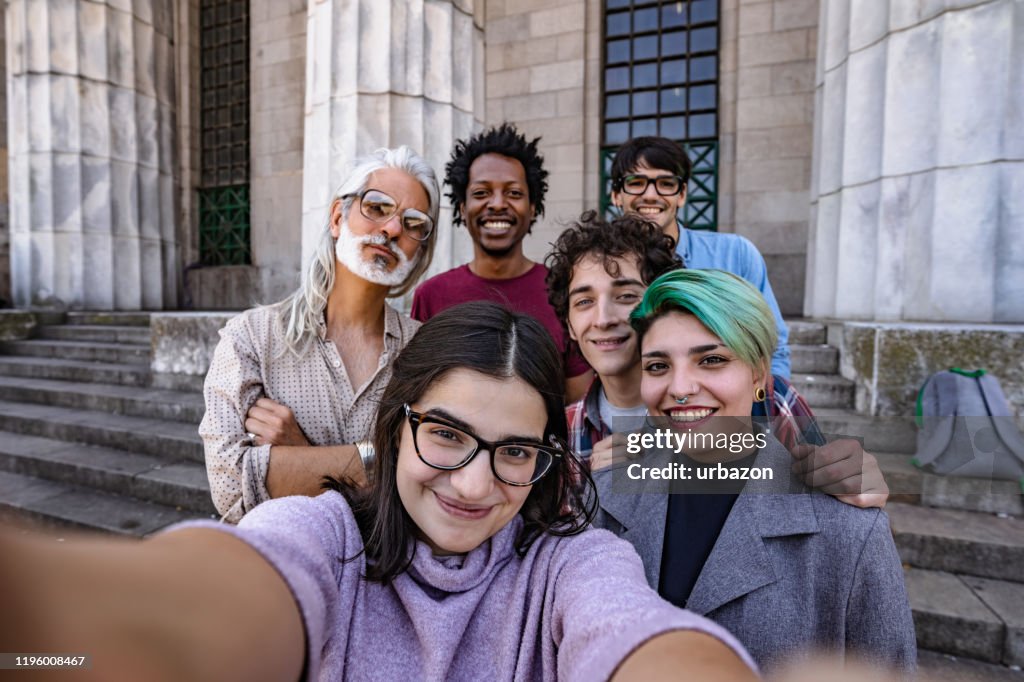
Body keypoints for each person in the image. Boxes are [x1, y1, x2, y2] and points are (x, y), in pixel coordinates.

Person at [0, 303, 758, 682]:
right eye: (447, 435)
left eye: (513, 452)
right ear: (395, 428)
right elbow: (192, 612)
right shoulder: (323, 537)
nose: (472, 483)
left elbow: (630, 633)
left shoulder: (569, 564)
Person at [592, 269, 917, 673]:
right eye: (657, 366)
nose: (679, 387)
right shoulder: (605, 497)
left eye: (711, 360)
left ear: (759, 373)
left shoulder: (848, 526)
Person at [546, 212, 888, 507]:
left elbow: (834, 507)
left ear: (661, 306)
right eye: (584, 302)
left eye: (626, 296)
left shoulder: (766, 399)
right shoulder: (566, 430)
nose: (603, 318)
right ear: (570, 327)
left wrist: (855, 484)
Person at [201, 146, 440, 522]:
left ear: (420, 250)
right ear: (336, 218)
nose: (393, 229)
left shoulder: (426, 351)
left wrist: (299, 449)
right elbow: (232, 490)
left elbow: (434, 478)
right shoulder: (251, 337)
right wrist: (381, 460)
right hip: (280, 571)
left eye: (413, 224)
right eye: (377, 207)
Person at [412, 123, 593, 402]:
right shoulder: (431, 296)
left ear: (533, 208)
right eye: (482, 193)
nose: (497, 204)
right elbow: (417, 395)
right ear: (462, 208)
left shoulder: (564, 291)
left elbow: (579, 407)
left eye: (513, 193)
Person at [609, 136, 792, 378]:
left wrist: (764, 407)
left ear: (682, 194)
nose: (651, 195)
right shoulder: (601, 269)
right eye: (636, 182)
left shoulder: (735, 255)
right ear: (616, 195)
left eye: (666, 183)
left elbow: (772, 346)